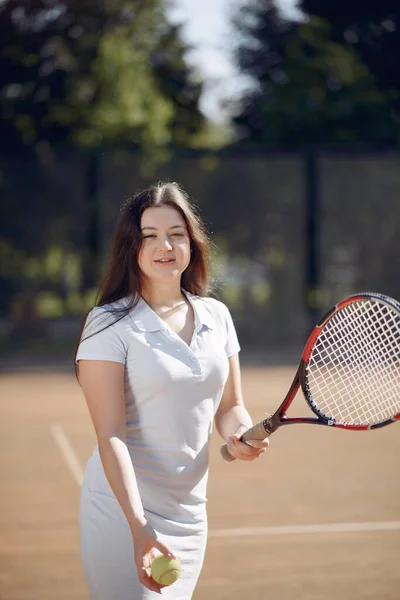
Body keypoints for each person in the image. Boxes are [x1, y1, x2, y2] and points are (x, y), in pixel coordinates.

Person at [74, 182, 269, 599]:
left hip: (190, 514)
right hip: (124, 513)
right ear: (132, 248)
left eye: (176, 233)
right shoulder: (108, 323)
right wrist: (139, 527)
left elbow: (230, 406)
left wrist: (239, 434)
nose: (166, 245)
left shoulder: (217, 315)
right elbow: (110, 434)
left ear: (192, 244)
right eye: (150, 236)